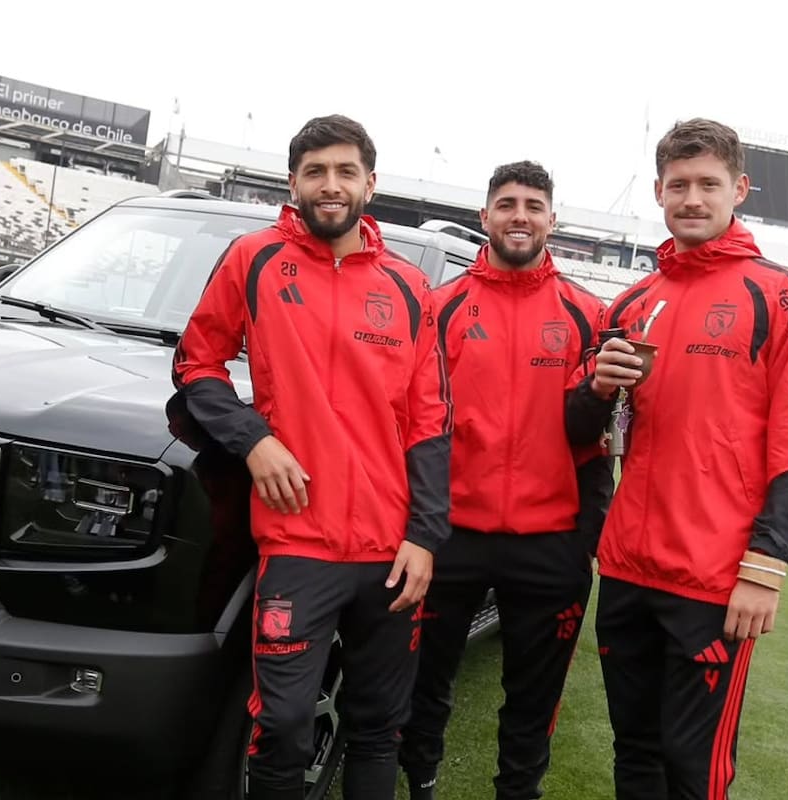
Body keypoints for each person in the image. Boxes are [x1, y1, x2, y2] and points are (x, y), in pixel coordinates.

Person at [171, 114, 453, 800]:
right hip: (298, 540)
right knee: (286, 723)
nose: (331, 185)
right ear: (293, 182)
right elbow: (197, 365)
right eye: (316, 172)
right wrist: (254, 439)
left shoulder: (410, 287)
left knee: (377, 725)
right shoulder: (256, 258)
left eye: (345, 171)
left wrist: (424, 536)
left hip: (390, 552)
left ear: (370, 183)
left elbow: (429, 421)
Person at [569, 117, 788, 799]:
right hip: (628, 567)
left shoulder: (781, 296)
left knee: (694, 765)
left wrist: (765, 567)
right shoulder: (632, 302)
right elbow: (581, 430)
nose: (692, 198)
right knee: (635, 751)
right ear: (658, 191)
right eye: (678, 184)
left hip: (713, 579)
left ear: (738, 189)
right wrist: (599, 388)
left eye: (707, 184)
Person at [398, 161, 614, 800]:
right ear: (484, 216)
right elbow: (414, 423)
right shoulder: (441, 309)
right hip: (450, 534)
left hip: (551, 544)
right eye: (507, 203)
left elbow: (599, 435)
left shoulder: (587, 314)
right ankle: (421, 786)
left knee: (532, 698)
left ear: (553, 219)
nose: (521, 215)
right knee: (426, 683)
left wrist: (587, 535)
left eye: (534, 205)